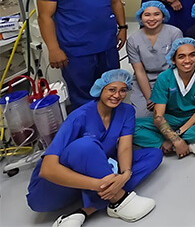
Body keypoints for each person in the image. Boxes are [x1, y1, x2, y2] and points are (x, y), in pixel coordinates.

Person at [26, 70, 161, 227]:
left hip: (98, 172)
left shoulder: (126, 111)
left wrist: (125, 175)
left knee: (154, 154)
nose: (117, 95)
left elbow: (125, 147)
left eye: (122, 90)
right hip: (54, 187)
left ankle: (86, 210)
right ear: (100, 89)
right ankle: (119, 199)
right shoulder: (79, 116)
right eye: (112, 90)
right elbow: (47, 170)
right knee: (85, 145)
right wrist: (98, 185)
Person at [36, 0, 127, 109]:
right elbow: (44, 17)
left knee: (111, 87)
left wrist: (122, 27)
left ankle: (112, 120)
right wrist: (53, 49)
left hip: (107, 46)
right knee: (83, 95)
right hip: (76, 50)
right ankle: (88, 124)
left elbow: (115, 2)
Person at [133, 38, 195, 157]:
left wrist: (175, 136)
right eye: (181, 57)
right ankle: (181, 145)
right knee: (132, 129)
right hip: (174, 117)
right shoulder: (164, 78)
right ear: (173, 60)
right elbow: (158, 116)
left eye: (192, 55)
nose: (187, 60)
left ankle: (170, 145)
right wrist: (175, 139)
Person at [127, 1, 183, 118]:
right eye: (147, 15)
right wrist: (150, 98)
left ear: (163, 16)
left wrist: (161, 95)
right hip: (145, 80)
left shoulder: (175, 33)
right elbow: (139, 71)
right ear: (140, 17)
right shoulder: (133, 40)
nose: (152, 18)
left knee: (175, 112)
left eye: (156, 14)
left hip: (170, 78)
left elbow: (178, 66)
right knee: (142, 116)